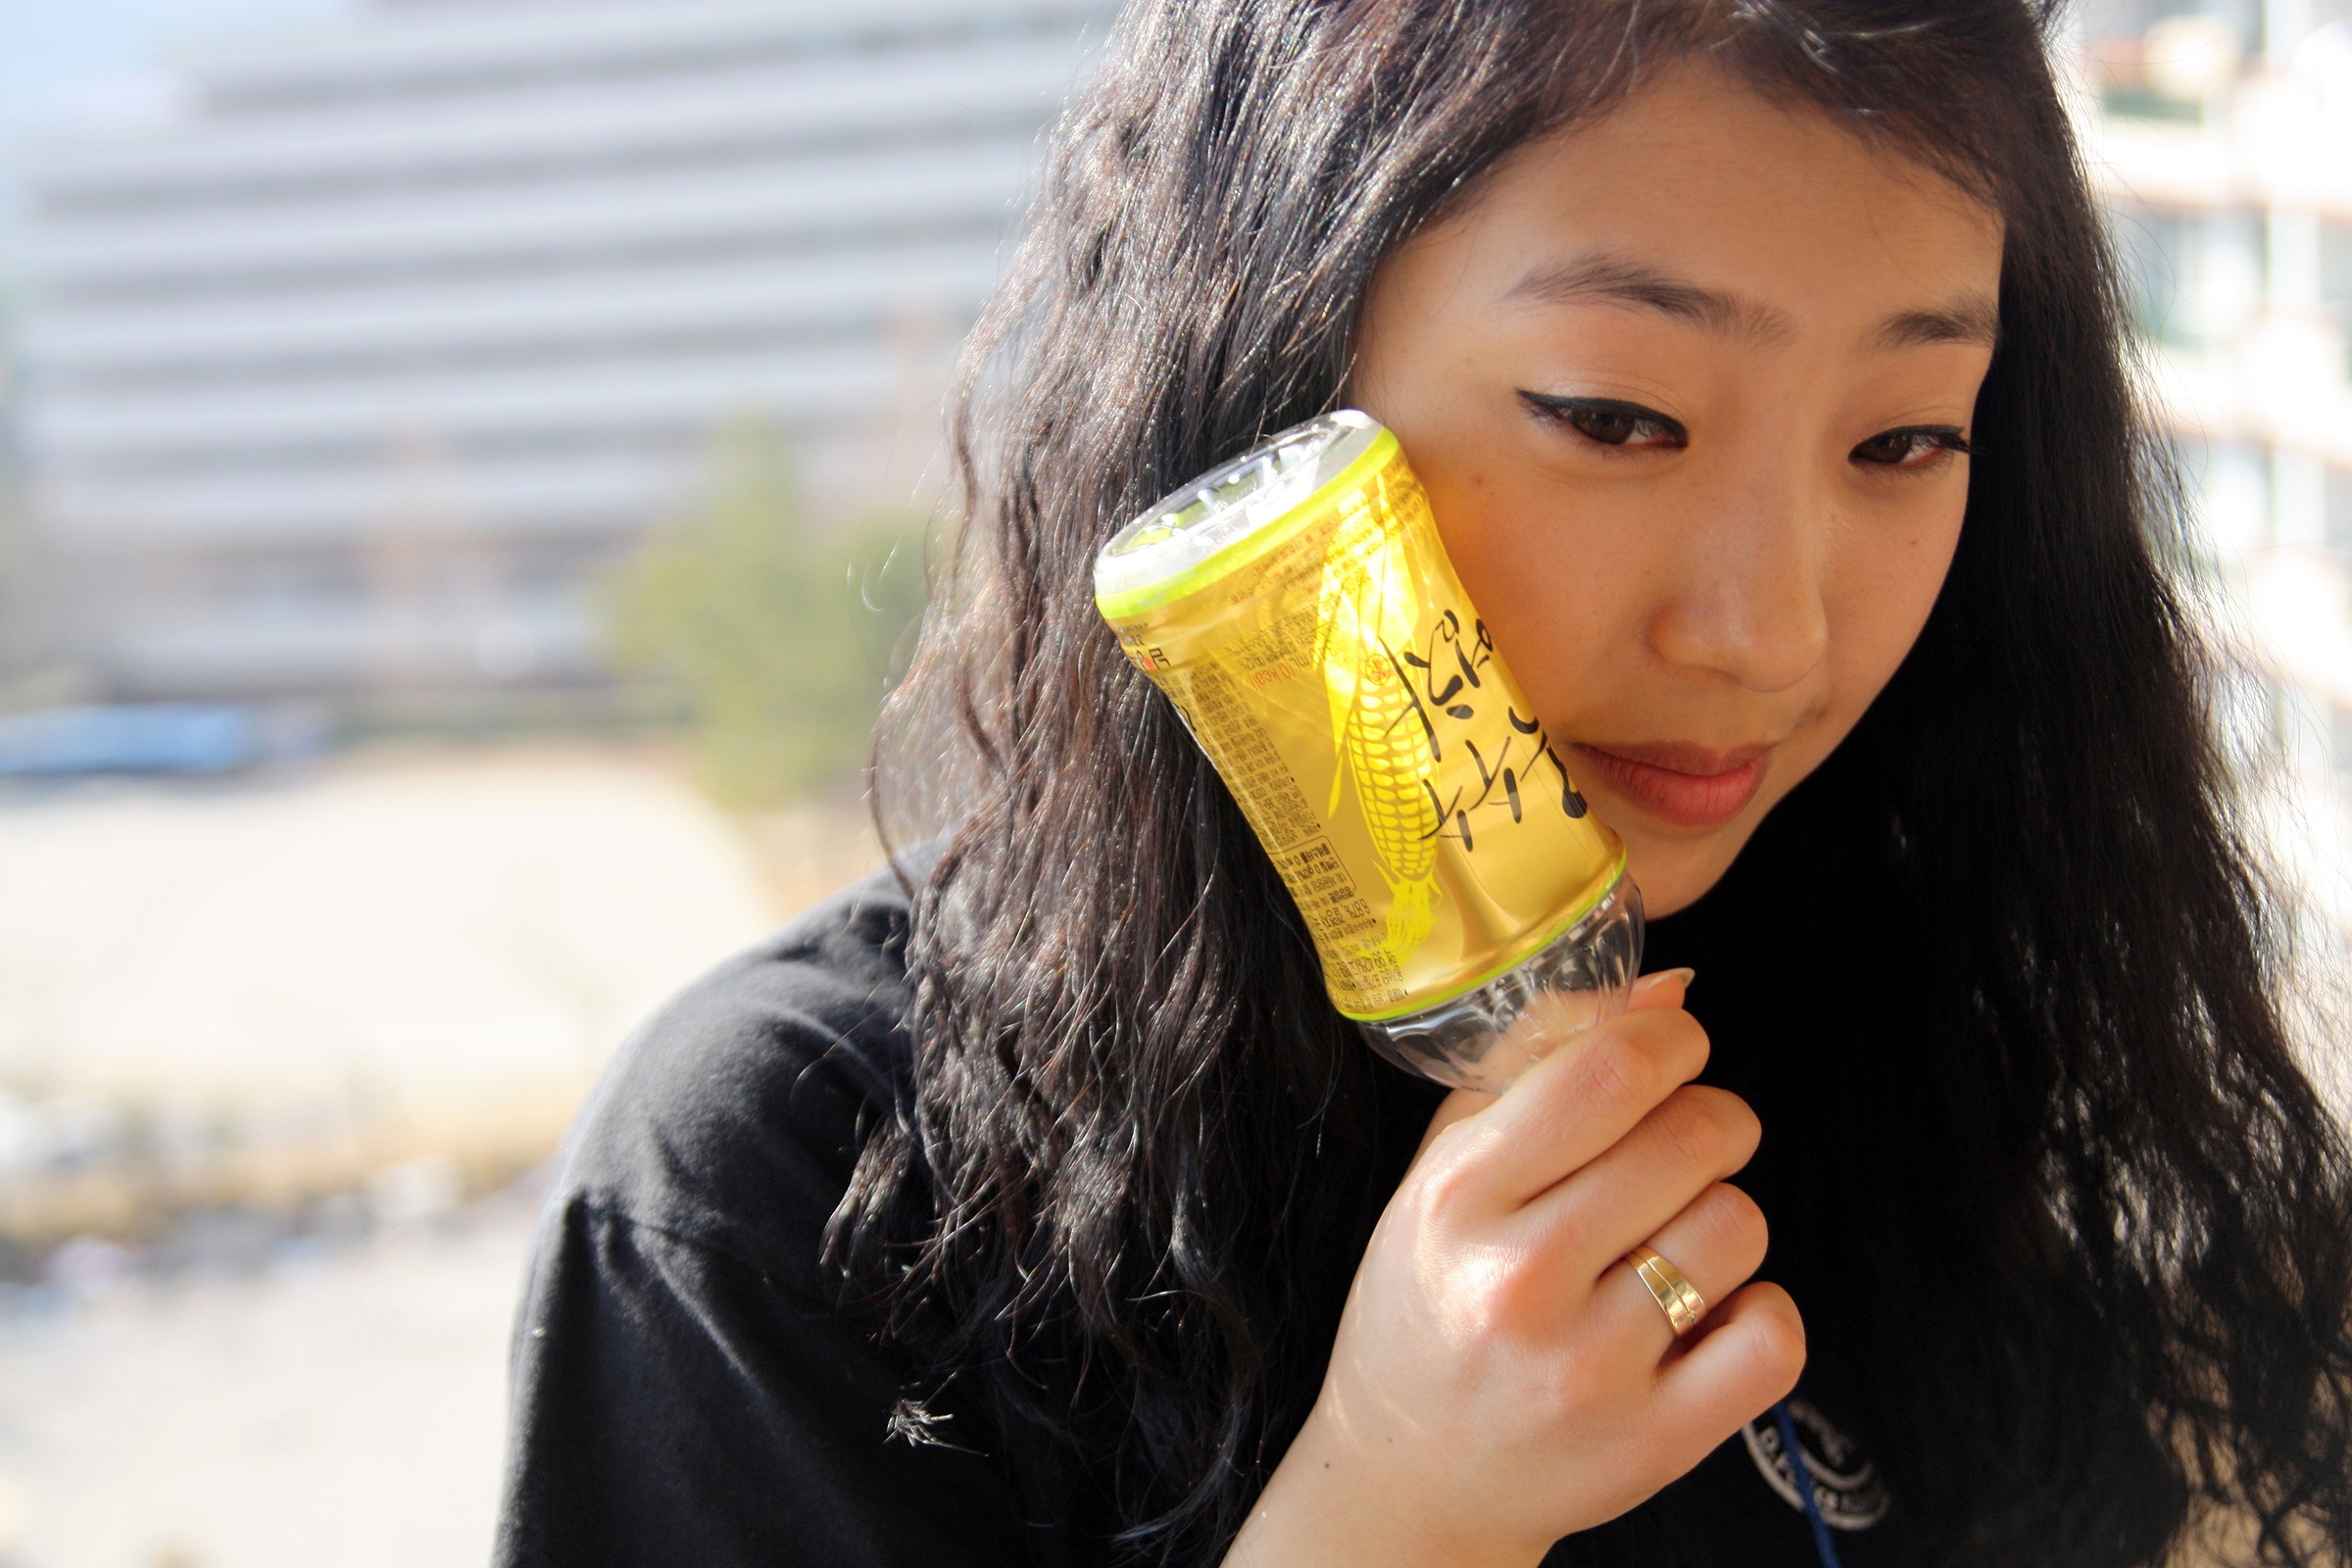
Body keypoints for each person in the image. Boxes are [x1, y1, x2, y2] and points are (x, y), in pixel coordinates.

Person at [492, 3, 2352, 1565]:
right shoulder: (786, 1187)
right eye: (1617, 417)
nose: (1769, 633)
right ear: (1263, 381)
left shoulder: (1903, 984)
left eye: (1905, 438)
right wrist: (1391, 1514)